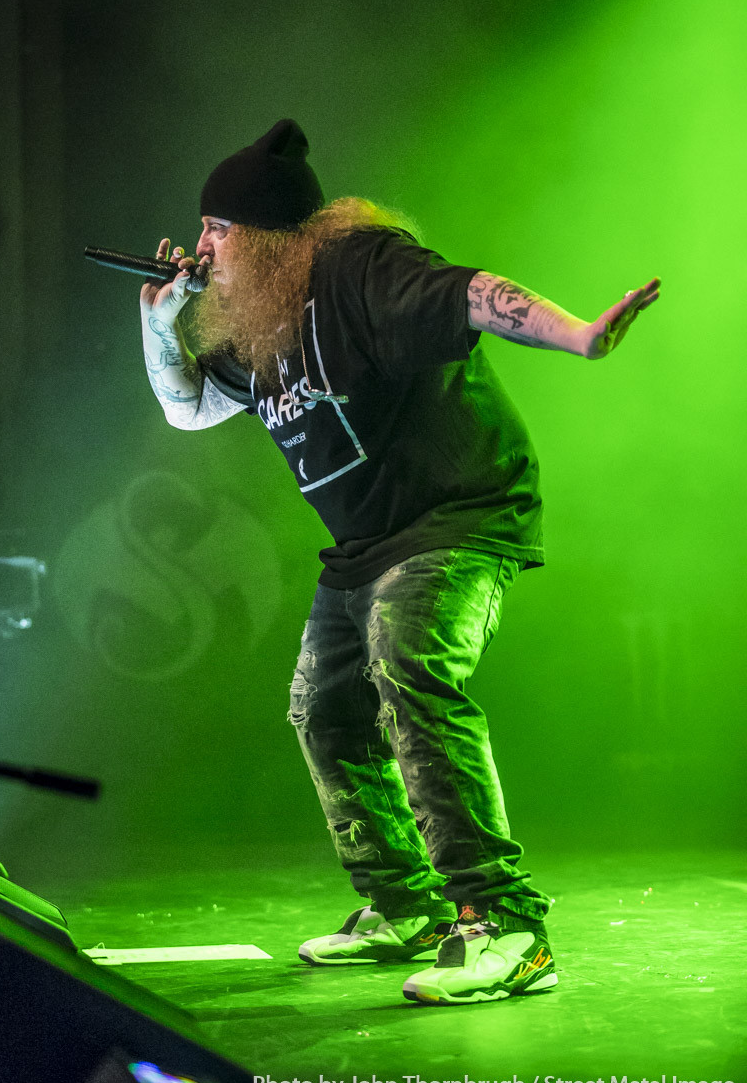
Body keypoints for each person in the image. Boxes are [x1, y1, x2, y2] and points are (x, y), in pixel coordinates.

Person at [140, 119, 660, 1006]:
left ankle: (508, 927)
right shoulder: (253, 324)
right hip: (365, 544)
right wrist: (160, 326)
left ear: (264, 236)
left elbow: (472, 294)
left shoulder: (356, 268)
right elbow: (187, 410)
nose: (203, 248)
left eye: (218, 230)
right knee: (323, 710)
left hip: (456, 513)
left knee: (410, 667)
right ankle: (408, 906)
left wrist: (578, 334)